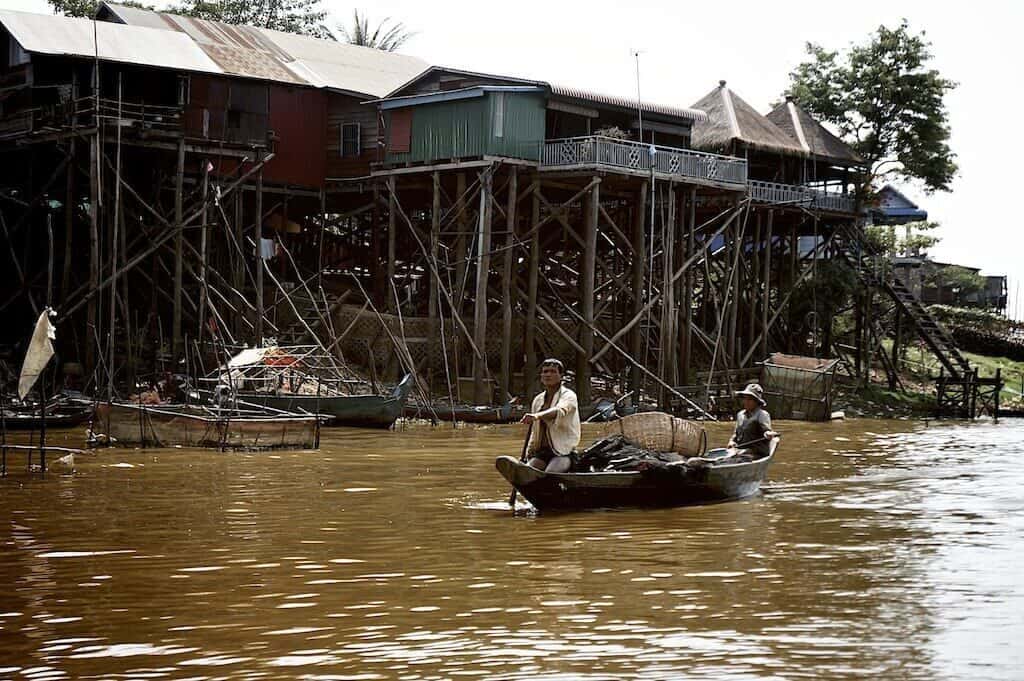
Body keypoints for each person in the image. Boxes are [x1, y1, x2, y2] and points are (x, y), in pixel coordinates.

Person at [520, 358, 581, 473]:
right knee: (526, 473)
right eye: (545, 372)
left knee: (549, 475)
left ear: (561, 376)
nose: (548, 375)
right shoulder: (538, 400)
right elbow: (535, 431)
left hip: (563, 452)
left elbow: (559, 410)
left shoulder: (569, 396)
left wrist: (537, 416)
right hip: (542, 453)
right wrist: (529, 453)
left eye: (553, 372)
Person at [727, 383, 777, 459]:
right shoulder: (740, 415)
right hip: (740, 451)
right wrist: (732, 442)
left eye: (749, 399)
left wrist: (768, 434)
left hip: (756, 453)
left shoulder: (762, 415)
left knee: (740, 455)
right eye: (745, 398)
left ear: (756, 402)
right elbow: (736, 434)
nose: (746, 402)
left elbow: (766, 431)